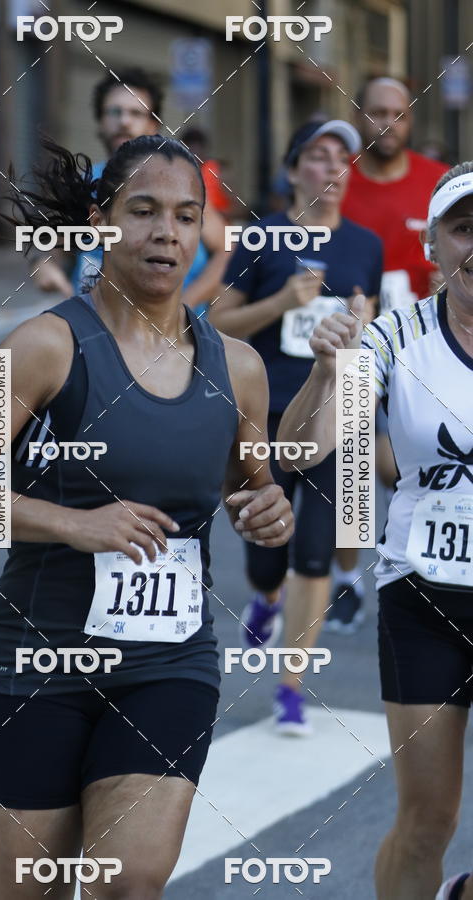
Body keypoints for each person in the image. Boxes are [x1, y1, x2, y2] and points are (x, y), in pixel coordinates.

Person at [0, 134, 293, 899]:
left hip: (168, 662)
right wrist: (75, 524)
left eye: (187, 217)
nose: (166, 233)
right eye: (143, 211)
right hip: (37, 660)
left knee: (127, 880)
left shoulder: (239, 369)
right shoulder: (41, 346)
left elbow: (253, 487)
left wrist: (267, 509)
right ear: (100, 222)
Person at [278, 162, 473, 899]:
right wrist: (329, 370)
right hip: (424, 602)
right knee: (428, 819)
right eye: (463, 228)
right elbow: (302, 450)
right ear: (435, 249)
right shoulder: (395, 336)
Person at [209, 119, 382, 734]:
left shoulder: (365, 243)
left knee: (314, 553)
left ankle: (292, 686)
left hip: (334, 414)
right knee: (268, 552)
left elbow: (372, 328)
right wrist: (281, 304)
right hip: (267, 410)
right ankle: (264, 598)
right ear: (293, 171)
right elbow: (219, 319)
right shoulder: (262, 238)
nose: (331, 167)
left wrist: (362, 323)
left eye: (342, 156)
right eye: (317, 155)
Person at [325, 77, 451, 634]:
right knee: (353, 458)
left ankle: (425, 545)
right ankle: (348, 578)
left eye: (398, 114)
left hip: (429, 343)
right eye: (377, 113)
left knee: (402, 462)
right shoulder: (339, 178)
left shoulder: (434, 182)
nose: (388, 124)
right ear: (361, 116)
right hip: (360, 339)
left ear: (411, 121)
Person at [32, 70, 229, 318]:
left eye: (135, 113)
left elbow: (227, 251)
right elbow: (55, 242)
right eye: (114, 112)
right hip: (95, 330)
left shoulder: (181, 183)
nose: (124, 121)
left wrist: (185, 305)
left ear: (153, 124)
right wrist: (44, 264)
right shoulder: (84, 182)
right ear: (101, 121)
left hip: (172, 339)